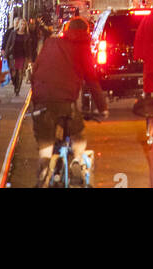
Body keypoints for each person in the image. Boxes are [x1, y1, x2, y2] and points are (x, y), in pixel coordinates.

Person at [30, 17, 107, 184]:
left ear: (66, 30)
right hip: (65, 102)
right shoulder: (82, 48)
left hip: (42, 101)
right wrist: (102, 108)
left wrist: (36, 99)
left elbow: (35, 71)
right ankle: (77, 160)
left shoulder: (51, 43)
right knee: (78, 136)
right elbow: (92, 80)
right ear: (86, 32)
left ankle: (44, 169)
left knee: (45, 145)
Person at [10, 19, 28, 96]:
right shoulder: (13, 33)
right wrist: (5, 54)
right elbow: (9, 43)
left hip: (22, 56)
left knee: (20, 73)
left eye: (24, 24)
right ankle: (15, 84)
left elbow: (29, 47)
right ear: (19, 25)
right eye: (21, 24)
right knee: (13, 73)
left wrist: (29, 57)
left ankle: (18, 89)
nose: (22, 26)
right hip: (13, 55)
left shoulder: (27, 35)